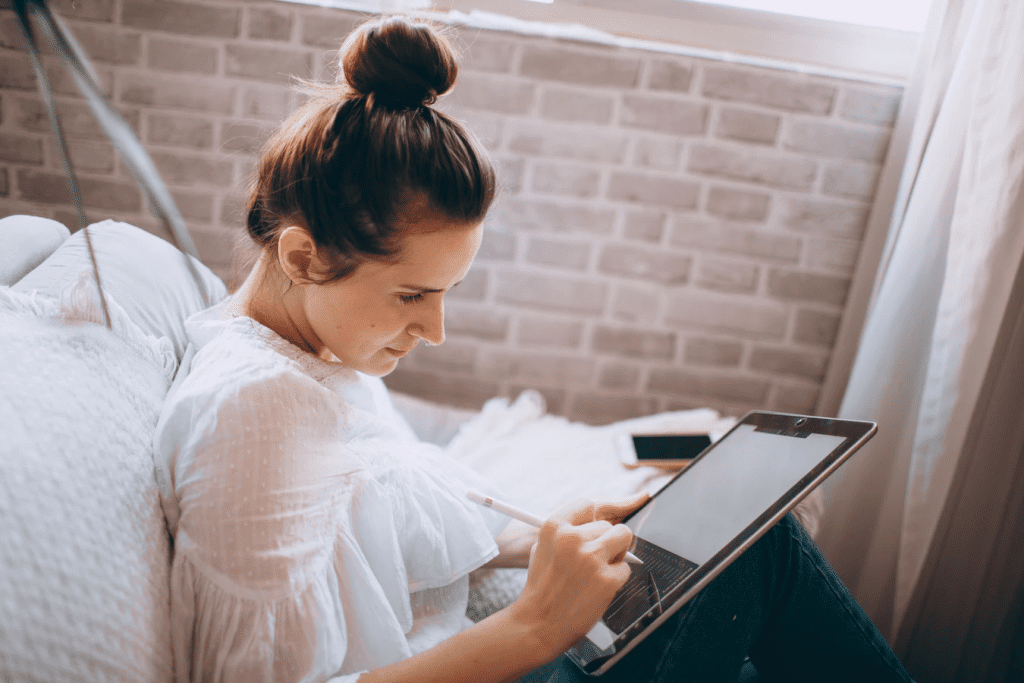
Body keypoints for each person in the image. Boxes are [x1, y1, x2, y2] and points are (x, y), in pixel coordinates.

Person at [154, 15, 915, 683]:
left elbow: (379, 531)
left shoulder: (318, 358)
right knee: (762, 552)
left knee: (743, 577)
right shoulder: (254, 412)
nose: (435, 331)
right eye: (413, 295)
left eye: (447, 292)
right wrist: (534, 626)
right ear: (304, 257)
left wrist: (548, 535)